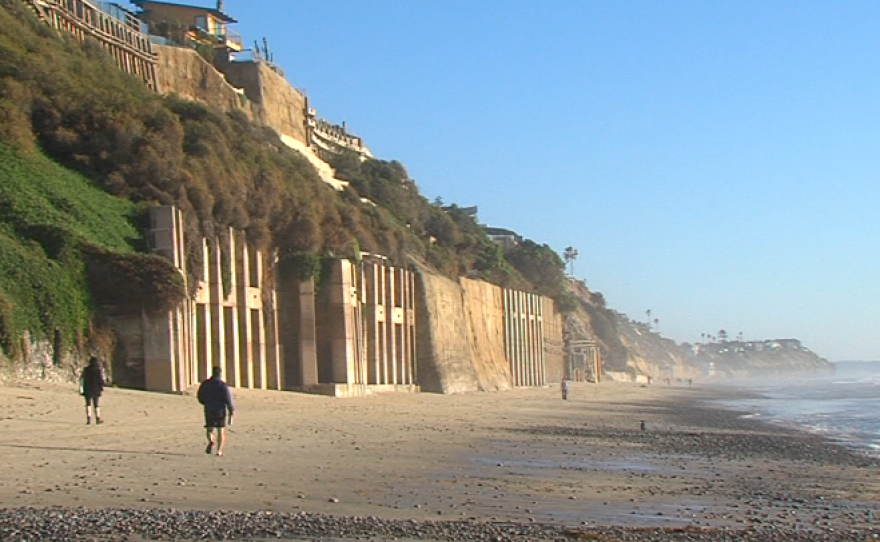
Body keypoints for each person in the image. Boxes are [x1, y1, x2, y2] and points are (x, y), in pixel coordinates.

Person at [197, 366, 234, 456]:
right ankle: (219, 451)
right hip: (220, 410)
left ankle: (211, 440)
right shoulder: (222, 385)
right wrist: (231, 409)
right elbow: (228, 398)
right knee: (220, 430)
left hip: (209, 408)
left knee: (209, 429)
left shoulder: (205, 384)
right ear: (220, 373)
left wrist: (205, 403)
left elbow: (200, 396)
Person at [81, 356, 105, 425]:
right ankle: (98, 418)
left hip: (87, 389)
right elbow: (101, 380)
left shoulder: (86, 369)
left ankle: (89, 419)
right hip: (96, 389)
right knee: (96, 404)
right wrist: (101, 388)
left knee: (88, 404)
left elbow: (82, 379)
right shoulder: (98, 370)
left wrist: (82, 389)